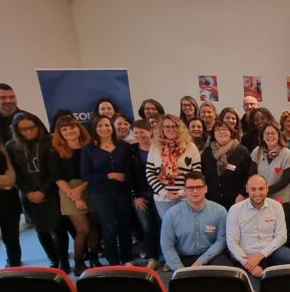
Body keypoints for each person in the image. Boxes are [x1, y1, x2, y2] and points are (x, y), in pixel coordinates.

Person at [81, 115, 134, 266]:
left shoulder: (123, 146)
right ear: (94, 129)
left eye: (107, 125)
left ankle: (127, 258)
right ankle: (113, 261)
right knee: (109, 227)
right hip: (100, 194)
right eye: (100, 126)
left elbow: (129, 170)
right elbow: (86, 174)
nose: (104, 129)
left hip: (122, 192)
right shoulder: (88, 149)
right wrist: (109, 175)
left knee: (125, 225)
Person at [226, 174, 290, 276]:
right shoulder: (235, 210)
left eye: (261, 189)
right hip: (246, 254)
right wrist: (250, 265)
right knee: (253, 287)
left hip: (270, 251)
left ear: (267, 189)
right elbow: (232, 243)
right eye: (253, 189)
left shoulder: (276, 206)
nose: (257, 193)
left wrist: (260, 255)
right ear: (247, 189)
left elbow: (281, 236)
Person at [49, 115, 96, 270]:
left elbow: (95, 171)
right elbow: (58, 178)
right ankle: (78, 262)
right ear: (59, 132)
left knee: (95, 227)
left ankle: (94, 260)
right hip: (68, 191)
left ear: (78, 128)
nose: (69, 131)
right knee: (83, 230)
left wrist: (81, 189)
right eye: (64, 129)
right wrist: (74, 196)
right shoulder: (56, 151)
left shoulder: (90, 147)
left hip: (91, 187)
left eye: (72, 127)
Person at [159, 171, 233, 270]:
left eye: (199, 187)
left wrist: (201, 261)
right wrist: (179, 270)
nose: (195, 191)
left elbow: (222, 240)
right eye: (190, 188)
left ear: (205, 189)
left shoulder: (220, 211)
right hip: (183, 257)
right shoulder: (171, 214)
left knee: (227, 273)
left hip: (211, 255)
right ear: (184, 190)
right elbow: (166, 244)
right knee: (185, 282)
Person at [146, 115, 202, 218]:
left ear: (180, 128)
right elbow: (150, 173)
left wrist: (182, 192)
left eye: (174, 126)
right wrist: (165, 193)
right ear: (162, 129)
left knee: (187, 229)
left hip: (186, 197)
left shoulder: (190, 147)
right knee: (169, 230)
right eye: (167, 126)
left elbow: (196, 173)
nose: (171, 129)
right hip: (163, 199)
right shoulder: (155, 147)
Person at [127, 119, 162, 270]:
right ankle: (152, 257)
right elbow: (129, 176)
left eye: (142, 132)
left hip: (161, 194)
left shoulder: (160, 148)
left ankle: (166, 257)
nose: (139, 135)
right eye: (136, 133)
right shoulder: (131, 150)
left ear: (151, 132)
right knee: (147, 227)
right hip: (142, 195)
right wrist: (136, 196)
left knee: (163, 226)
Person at [0, 121, 21, 271]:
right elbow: (5, 183)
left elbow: (10, 180)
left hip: (8, 203)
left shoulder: (2, 151)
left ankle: (16, 271)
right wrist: (1, 184)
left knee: (12, 239)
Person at [253, 123, 290, 237]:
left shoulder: (287, 154)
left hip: (281, 200)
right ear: (262, 136)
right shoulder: (257, 151)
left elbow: (285, 180)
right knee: (263, 231)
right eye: (267, 133)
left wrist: (265, 192)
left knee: (281, 232)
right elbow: (252, 175)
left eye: (273, 133)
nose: (270, 136)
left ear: (279, 135)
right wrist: (259, 193)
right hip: (259, 199)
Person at [202, 120, 252, 210]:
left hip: (237, 201)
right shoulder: (207, 153)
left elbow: (250, 175)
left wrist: (242, 194)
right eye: (217, 129)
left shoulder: (242, 151)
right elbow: (203, 175)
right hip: (212, 202)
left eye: (225, 129)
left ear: (231, 132)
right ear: (213, 134)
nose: (221, 132)